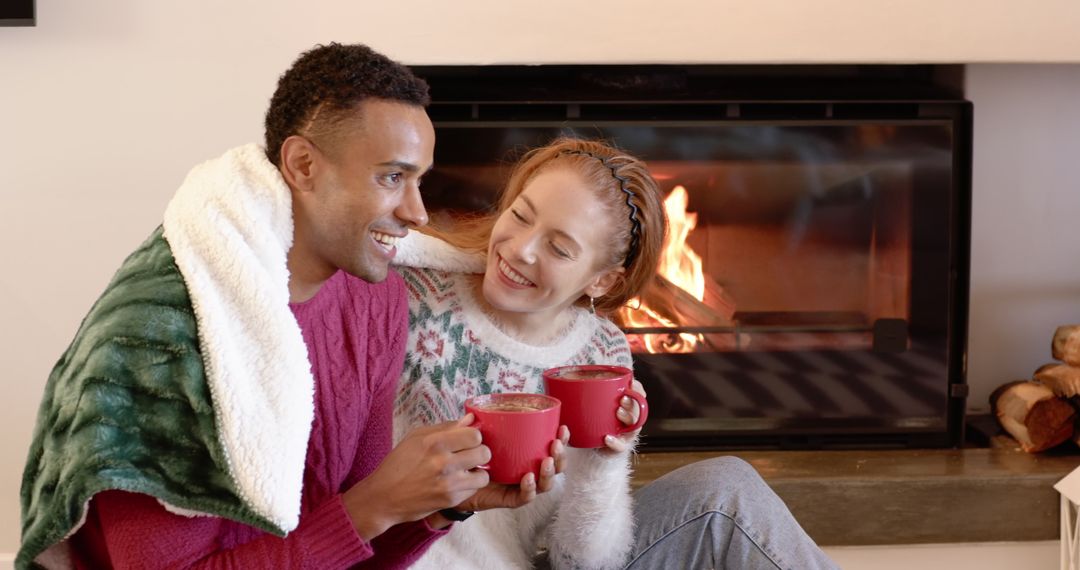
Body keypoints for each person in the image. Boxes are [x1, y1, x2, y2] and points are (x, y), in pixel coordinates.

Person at [17, 43, 547, 569]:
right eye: (391, 176)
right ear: (302, 164)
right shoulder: (162, 338)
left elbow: (351, 553)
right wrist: (372, 507)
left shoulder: (375, 298)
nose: (416, 213)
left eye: (419, 179)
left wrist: (439, 508)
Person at [392, 137, 839, 569]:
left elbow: (585, 562)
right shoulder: (418, 295)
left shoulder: (600, 351)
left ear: (601, 281)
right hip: (416, 554)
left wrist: (603, 463)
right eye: (521, 215)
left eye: (559, 247)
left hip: (541, 558)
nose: (520, 249)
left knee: (728, 486)